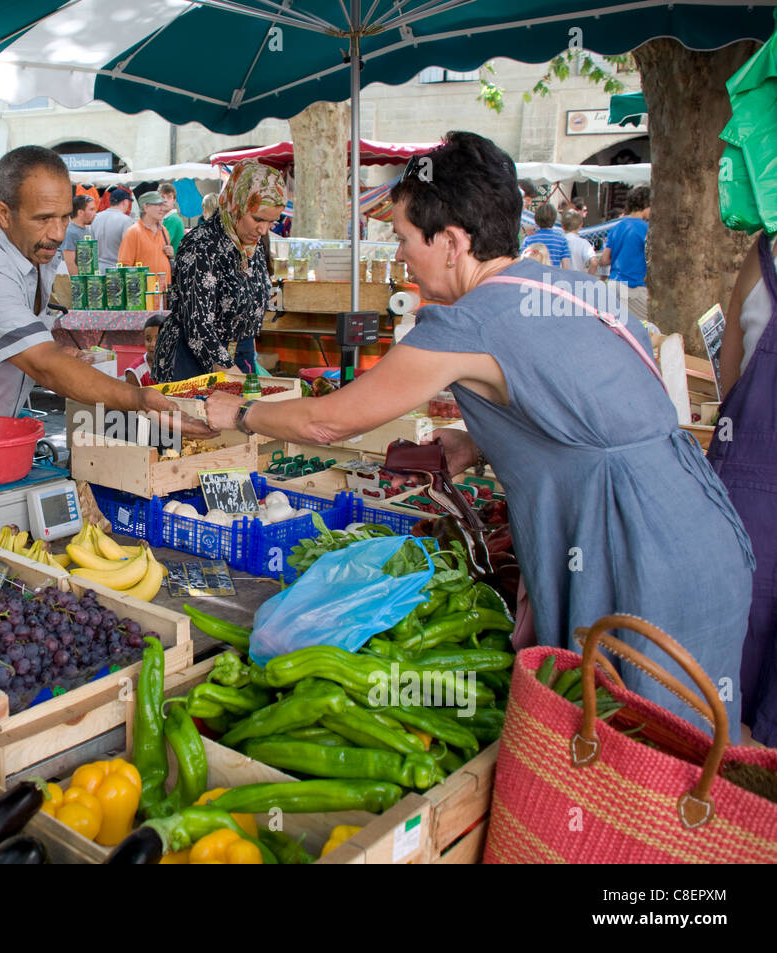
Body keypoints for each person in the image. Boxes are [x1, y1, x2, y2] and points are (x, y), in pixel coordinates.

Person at [203, 131, 754, 735]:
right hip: (700, 535)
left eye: (406, 238)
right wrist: (479, 442)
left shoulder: (465, 322)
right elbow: (588, 411)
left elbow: (328, 419)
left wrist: (237, 415)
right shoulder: (571, 285)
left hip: (633, 554)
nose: (401, 255)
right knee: (680, 766)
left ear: (452, 243)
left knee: (626, 766)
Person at [0, 145, 211, 472]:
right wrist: (138, 399)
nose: (58, 233)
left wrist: (62, 353)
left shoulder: (31, 246)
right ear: (3, 213)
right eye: (44, 219)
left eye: (64, 217)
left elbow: (22, 338)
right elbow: (42, 365)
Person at [709, 230, 777, 744]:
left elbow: (729, 382)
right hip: (754, 495)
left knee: (730, 685)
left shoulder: (764, 253)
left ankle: (731, 811)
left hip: (749, 505)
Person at [153, 159, 285, 382]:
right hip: (193, 364)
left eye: (272, 222)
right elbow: (198, 325)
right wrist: (235, 377)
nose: (263, 229)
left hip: (238, 358)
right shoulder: (200, 245)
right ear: (236, 205)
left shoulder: (251, 246)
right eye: (258, 219)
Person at [600, 185, 651, 321]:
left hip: (612, 284)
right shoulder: (646, 229)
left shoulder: (616, 228)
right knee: (644, 330)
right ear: (646, 205)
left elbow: (605, 259)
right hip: (633, 286)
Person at [117, 191, 172, 284]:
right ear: (145, 207)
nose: (162, 209)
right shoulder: (133, 232)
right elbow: (125, 267)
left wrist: (171, 254)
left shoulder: (163, 230)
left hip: (164, 292)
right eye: (158, 205)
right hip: (143, 294)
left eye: (162, 205)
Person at [91, 187, 134, 271]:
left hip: (98, 271)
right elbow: (129, 249)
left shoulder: (96, 218)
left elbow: (91, 245)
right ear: (125, 202)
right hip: (117, 270)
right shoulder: (126, 221)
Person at [521, 203, 570, 269]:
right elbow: (565, 267)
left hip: (534, 276)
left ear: (536, 219)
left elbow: (522, 262)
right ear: (554, 219)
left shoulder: (528, 240)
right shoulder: (562, 241)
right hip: (553, 277)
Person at [59, 194, 97, 274]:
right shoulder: (70, 232)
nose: (95, 213)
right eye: (91, 209)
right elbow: (69, 263)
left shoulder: (88, 230)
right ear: (80, 212)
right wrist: (79, 284)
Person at [124, 313, 164, 386]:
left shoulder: (178, 364)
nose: (152, 344)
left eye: (158, 339)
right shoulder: (135, 372)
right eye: (148, 339)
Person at [561, 209, 598, 275]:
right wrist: (588, 278)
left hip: (559, 280)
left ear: (562, 226)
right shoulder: (583, 243)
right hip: (579, 280)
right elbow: (594, 263)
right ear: (580, 226)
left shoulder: (558, 241)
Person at [158, 182, 186, 253]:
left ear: (174, 200)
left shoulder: (173, 219)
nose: (165, 200)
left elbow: (160, 244)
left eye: (169, 197)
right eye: (162, 197)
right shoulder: (165, 219)